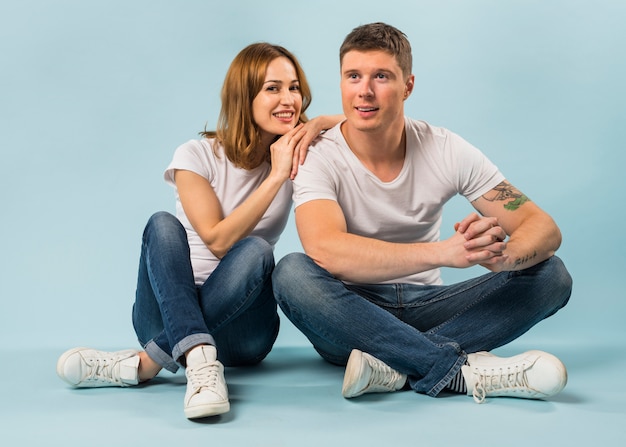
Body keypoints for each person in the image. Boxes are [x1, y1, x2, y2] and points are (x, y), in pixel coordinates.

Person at [272, 22, 573, 404]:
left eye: (381, 76)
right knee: (291, 273)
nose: (364, 91)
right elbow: (326, 250)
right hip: (352, 317)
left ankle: (394, 366)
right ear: (341, 82)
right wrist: (446, 253)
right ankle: (454, 369)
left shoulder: (445, 148)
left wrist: (504, 258)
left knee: (552, 274)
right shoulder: (317, 155)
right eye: (353, 76)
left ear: (408, 86)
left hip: (431, 308)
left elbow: (542, 226)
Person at [56, 42, 342, 419]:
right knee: (162, 224)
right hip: (164, 318)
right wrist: (275, 177)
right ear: (245, 96)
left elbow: (366, 122)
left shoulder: (301, 152)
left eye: (294, 87)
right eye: (273, 88)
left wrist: (319, 122)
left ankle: (146, 363)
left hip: (244, 334)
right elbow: (218, 239)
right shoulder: (196, 156)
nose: (288, 99)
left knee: (257, 250)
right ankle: (201, 360)